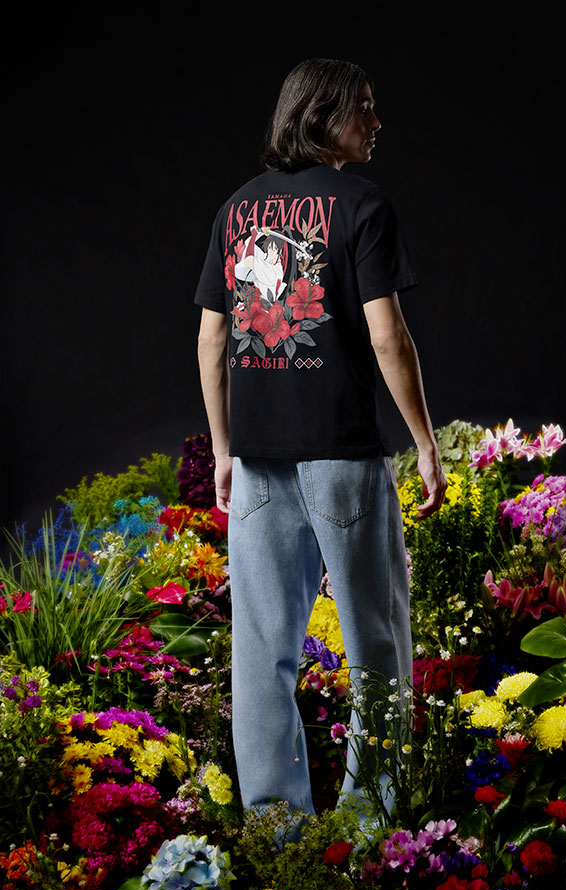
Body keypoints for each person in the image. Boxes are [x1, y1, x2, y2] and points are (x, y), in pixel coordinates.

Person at [195, 58, 447, 821]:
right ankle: (371, 826)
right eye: (363, 108)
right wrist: (424, 442)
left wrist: (223, 450)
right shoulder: (361, 205)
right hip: (341, 456)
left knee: (261, 652)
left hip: (258, 459)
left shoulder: (237, 208)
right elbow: (386, 335)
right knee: (376, 646)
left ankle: (275, 828)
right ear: (321, 115)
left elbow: (211, 339)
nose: (376, 122)